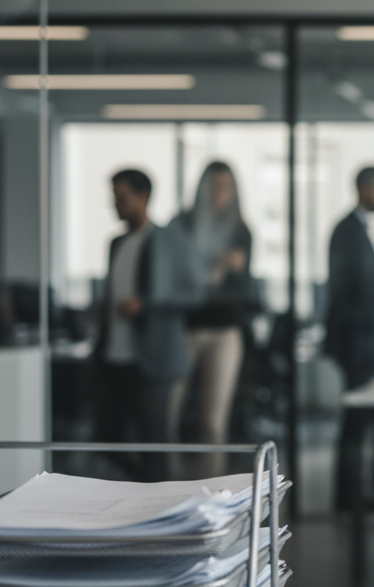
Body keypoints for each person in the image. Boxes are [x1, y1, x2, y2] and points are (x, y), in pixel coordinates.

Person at [94, 168, 203, 481]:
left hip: (152, 357)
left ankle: (153, 512)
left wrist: (146, 305)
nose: (115, 205)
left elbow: (193, 294)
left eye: (121, 197)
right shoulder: (115, 243)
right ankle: (140, 487)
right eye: (113, 198)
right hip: (113, 355)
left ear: (143, 197)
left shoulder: (170, 240)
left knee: (153, 441)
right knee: (107, 437)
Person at [169, 162, 255, 474]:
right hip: (185, 329)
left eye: (226, 186)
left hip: (225, 330)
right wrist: (213, 270)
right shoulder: (182, 225)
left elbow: (244, 289)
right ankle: (169, 491)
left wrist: (230, 271)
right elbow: (174, 278)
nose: (219, 193)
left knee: (213, 421)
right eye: (214, 186)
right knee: (170, 417)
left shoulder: (240, 230)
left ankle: (212, 496)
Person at [325, 166, 374, 509]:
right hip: (357, 340)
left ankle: (354, 494)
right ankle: (350, 498)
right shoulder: (348, 232)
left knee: (360, 420)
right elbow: (364, 285)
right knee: (357, 421)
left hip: (366, 338)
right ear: (364, 189)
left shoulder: (358, 229)